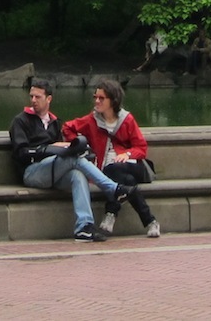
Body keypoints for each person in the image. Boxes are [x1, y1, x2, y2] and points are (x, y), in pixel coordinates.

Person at [9, 78, 135, 241]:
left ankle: (84, 228)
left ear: (49, 99)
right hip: (32, 172)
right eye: (31, 96)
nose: (33, 100)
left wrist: (69, 148)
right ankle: (113, 189)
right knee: (73, 158)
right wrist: (50, 149)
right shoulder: (20, 121)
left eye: (38, 97)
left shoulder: (55, 122)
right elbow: (21, 153)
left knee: (78, 175)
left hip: (55, 172)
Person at [63, 79, 160, 237]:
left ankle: (111, 213)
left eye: (101, 98)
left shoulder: (127, 120)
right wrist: (81, 145)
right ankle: (150, 221)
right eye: (95, 97)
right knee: (127, 180)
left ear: (113, 100)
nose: (97, 101)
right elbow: (68, 127)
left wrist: (126, 154)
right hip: (110, 170)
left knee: (116, 169)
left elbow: (141, 148)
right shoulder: (91, 120)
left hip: (130, 164)